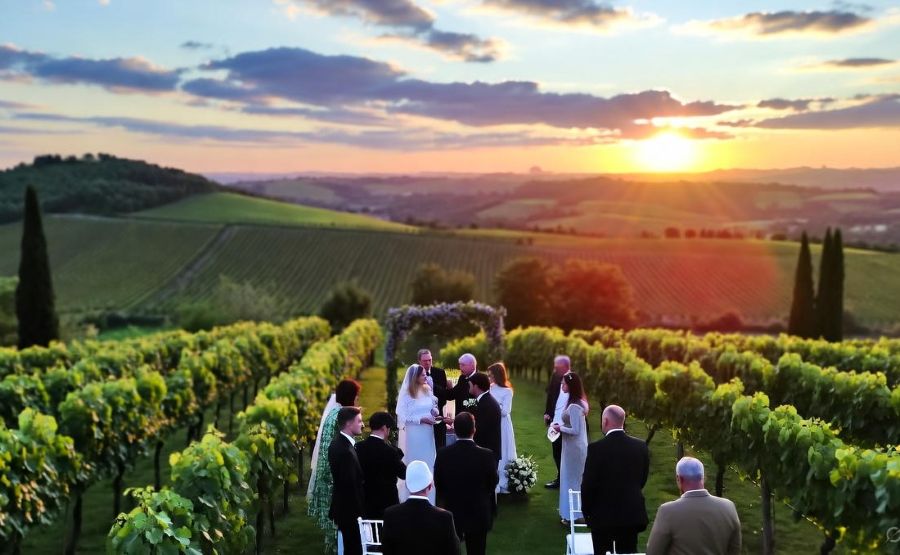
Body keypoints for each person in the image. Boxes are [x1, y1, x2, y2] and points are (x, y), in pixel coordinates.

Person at [581, 405, 650, 555]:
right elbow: (642, 480)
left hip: (602, 518)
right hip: (631, 516)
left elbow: (588, 486)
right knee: (628, 551)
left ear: (605, 421)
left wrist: (587, 513)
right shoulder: (640, 447)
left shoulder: (596, 449)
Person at [646, 457, 741, 555]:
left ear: (679, 479)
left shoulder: (667, 511)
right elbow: (735, 550)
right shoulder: (729, 507)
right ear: (704, 477)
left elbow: (653, 552)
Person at [434, 412, 499, 555]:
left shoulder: (443, 454)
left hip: (452, 511)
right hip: (478, 512)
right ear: (474, 430)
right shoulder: (486, 455)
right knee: (477, 551)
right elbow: (493, 482)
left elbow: (439, 483)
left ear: (455, 430)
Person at [308, 379, 361, 552]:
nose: (357, 400)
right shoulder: (340, 416)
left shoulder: (335, 412)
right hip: (332, 481)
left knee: (336, 534)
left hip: (330, 478)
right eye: (356, 397)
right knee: (337, 534)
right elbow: (330, 452)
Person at [382, 460, 461, 555]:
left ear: (407, 485)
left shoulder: (390, 514)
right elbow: (454, 551)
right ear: (430, 486)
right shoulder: (444, 518)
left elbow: (386, 550)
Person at [395, 363, 439, 504]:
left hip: (427, 433)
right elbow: (402, 415)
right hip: (415, 433)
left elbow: (433, 407)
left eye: (426, 373)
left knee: (429, 461)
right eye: (423, 374)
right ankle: (412, 497)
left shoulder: (427, 389)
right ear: (415, 377)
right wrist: (420, 419)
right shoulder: (408, 394)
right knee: (415, 461)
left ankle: (430, 499)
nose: (426, 376)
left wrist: (434, 413)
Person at [328, 407, 365, 555]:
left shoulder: (340, 444)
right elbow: (349, 486)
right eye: (359, 421)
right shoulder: (345, 451)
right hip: (350, 511)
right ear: (349, 424)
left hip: (345, 509)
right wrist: (360, 514)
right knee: (353, 549)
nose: (362, 424)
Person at [355, 411, 407, 519]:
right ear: (384, 428)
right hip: (387, 504)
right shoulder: (390, 452)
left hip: (366, 502)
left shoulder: (359, 447)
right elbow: (403, 473)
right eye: (389, 429)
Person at [552, 372, 588, 523]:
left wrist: (560, 428)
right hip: (572, 446)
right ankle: (570, 512)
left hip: (574, 448)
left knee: (572, 480)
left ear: (571, 385)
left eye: (564, 384)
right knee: (570, 478)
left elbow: (575, 430)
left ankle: (574, 515)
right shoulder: (577, 401)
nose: (562, 386)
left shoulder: (574, 406)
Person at [487, 362, 517, 493]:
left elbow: (505, 411)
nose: (489, 377)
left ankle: (503, 480)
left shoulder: (507, 391)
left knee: (503, 449)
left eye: (491, 375)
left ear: (497, 375)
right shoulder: (489, 387)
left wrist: (492, 405)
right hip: (491, 422)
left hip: (502, 424)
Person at [544, 355, 571, 489]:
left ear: (565, 367)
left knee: (566, 453)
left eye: (557, 367)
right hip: (554, 421)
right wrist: (547, 412)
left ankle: (565, 479)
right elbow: (551, 395)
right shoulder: (555, 377)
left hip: (567, 423)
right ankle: (560, 478)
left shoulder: (572, 380)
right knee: (556, 451)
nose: (555, 369)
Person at [418, 348, 450, 448]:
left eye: (429, 360)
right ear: (419, 361)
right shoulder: (414, 374)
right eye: (424, 360)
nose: (427, 363)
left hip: (438, 417)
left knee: (440, 446)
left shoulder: (440, 373)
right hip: (422, 418)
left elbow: (444, 396)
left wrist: (433, 385)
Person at [467, 371, 502, 463]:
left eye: (470, 385)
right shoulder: (482, 400)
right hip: (484, 453)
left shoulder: (488, 404)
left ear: (476, 386)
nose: (468, 387)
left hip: (487, 455)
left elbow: (480, 429)